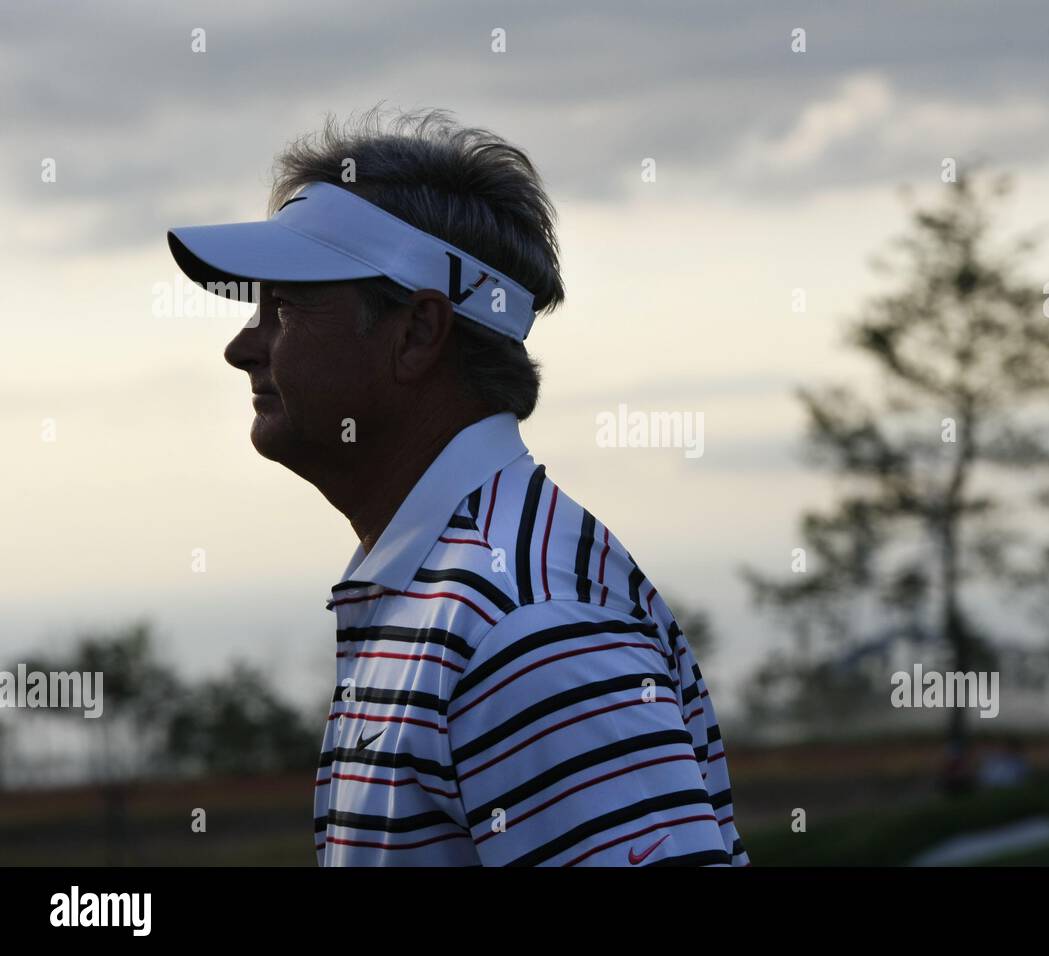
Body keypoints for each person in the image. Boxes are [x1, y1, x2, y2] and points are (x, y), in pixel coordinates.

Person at [166, 108, 748, 867]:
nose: (242, 346)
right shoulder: (458, 589)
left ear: (417, 332)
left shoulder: (528, 628)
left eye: (287, 306)